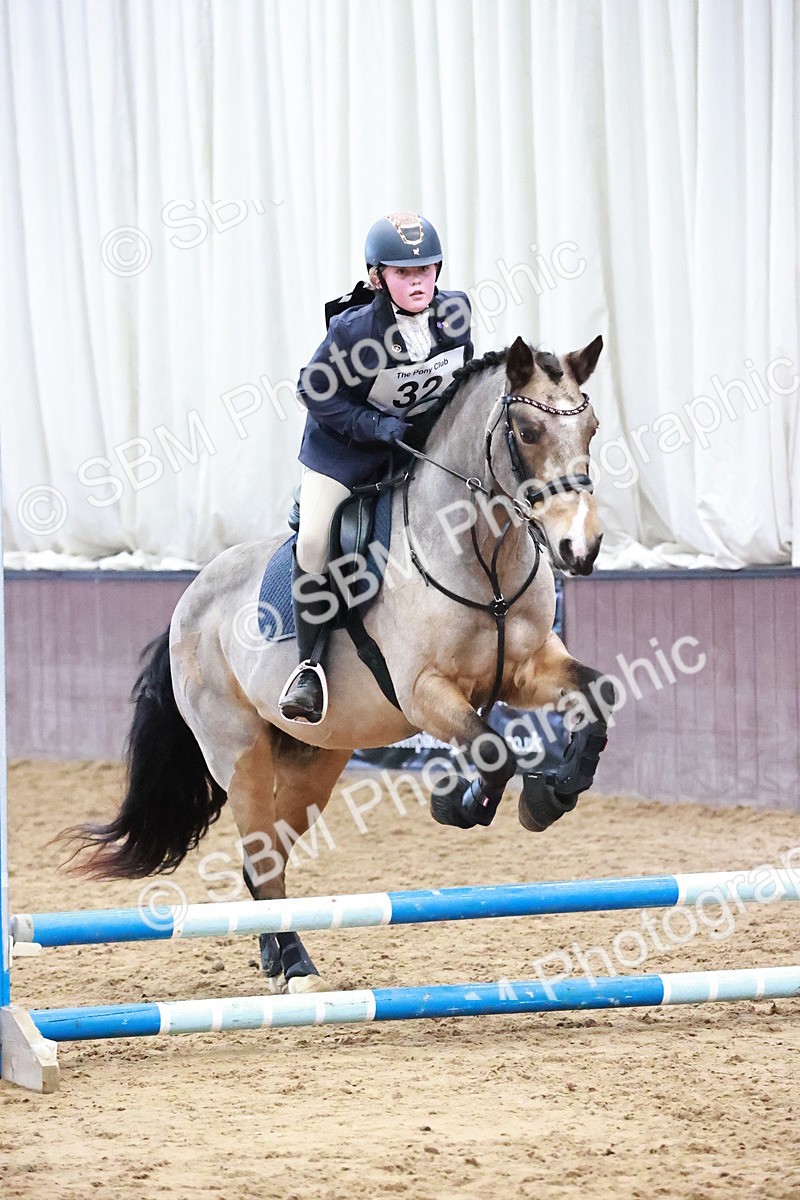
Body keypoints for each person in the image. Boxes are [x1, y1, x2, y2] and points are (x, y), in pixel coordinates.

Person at [279, 211, 474, 723]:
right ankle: (308, 666)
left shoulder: (455, 313)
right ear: (378, 278)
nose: (418, 282)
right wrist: (370, 424)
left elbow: (457, 378)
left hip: (412, 446)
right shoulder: (354, 331)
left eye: (425, 270)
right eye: (403, 273)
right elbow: (311, 389)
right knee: (314, 539)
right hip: (343, 453)